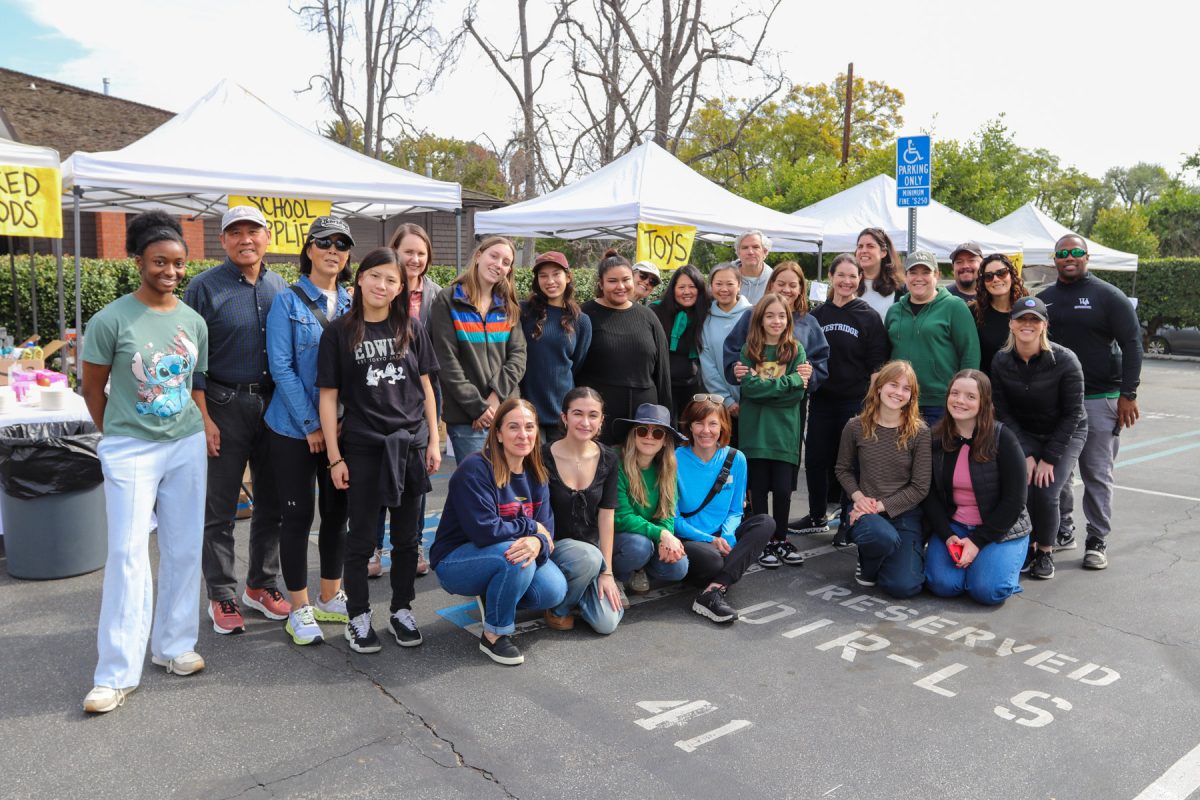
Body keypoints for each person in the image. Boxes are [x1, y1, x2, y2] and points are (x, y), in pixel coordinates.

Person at [81, 211, 209, 713]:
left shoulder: (193, 321)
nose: (170, 271)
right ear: (138, 261)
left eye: (178, 263)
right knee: (128, 555)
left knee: (182, 548)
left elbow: (192, 383)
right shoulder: (110, 319)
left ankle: (174, 647)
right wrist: (114, 434)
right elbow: (92, 389)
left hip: (186, 443)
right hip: (130, 446)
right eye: (160, 261)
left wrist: (200, 427)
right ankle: (114, 674)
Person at [317, 247, 441, 653]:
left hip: (409, 447)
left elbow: (426, 388)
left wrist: (434, 440)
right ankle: (358, 616)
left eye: (391, 280)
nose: (382, 285)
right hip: (364, 448)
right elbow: (329, 397)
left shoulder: (412, 327)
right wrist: (335, 457)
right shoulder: (339, 332)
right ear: (360, 279)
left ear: (401, 287)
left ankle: (402, 609)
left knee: (407, 539)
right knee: (362, 539)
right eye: (375, 276)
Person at [184, 205, 289, 635]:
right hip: (223, 404)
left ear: (268, 237)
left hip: (274, 406)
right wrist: (203, 417)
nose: (245, 239)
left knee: (273, 503)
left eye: (254, 231)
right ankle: (222, 594)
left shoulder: (280, 285)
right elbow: (189, 360)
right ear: (223, 240)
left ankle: (261, 585)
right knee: (220, 507)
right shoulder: (204, 287)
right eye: (236, 233)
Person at [264, 216, 353, 645]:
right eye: (324, 242)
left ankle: (329, 596)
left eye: (341, 243)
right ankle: (299, 607)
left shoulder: (356, 302)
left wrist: (339, 424)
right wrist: (313, 423)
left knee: (337, 515)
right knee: (298, 516)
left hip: (342, 429)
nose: (333, 250)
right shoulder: (288, 300)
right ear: (309, 249)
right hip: (291, 428)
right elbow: (281, 366)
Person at [431, 399, 567, 666]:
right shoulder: (474, 469)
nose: (523, 434)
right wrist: (530, 529)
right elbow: (485, 532)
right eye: (513, 427)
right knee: (515, 556)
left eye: (529, 427)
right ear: (498, 434)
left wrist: (538, 542)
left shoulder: (537, 473)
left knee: (553, 590)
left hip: (508, 554)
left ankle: (494, 594)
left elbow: (547, 530)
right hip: (456, 561)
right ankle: (494, 635)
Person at [1039, 235, 1142, 569]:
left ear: (1087, 257)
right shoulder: (1044, 300)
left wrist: (1128, 394)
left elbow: (1132, 344)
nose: (1070, 258)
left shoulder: (1108, 296)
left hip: (1101, 399)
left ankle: (1097, 539)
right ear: (1054, 259)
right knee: (1059, 473)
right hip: (1058, 402)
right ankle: (1063, 528)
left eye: (1076, 252)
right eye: (1063, 253)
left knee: (1096, 473)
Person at [991, 296, 1087, 580]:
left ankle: (1045, 550)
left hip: (1066, 432)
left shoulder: (1066, 360)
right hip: (1026, 432)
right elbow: (1003, 411)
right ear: (1011, 324)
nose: (1027, 325)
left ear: (1044, 325)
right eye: (1021, 319)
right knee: (1024, 487)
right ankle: (1029, 546)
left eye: (1034, 320)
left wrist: (1049, 458)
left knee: (1046, 492)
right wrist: (1026, 453)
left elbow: (1072, 414)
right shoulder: (1001, 360)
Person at [923, 370, 1031, 605]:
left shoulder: (1003, 438)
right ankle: (974, 568)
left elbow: (1015, 501)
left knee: (987, 591)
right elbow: (928, 494)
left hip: (1000, 530)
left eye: (970, 396)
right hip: (955, 526)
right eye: (955, 393)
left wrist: (977, 542)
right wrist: (948, 536)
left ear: (983, 402)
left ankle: (1004, 565)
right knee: (942, 585)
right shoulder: (935, 438)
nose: (960, 401)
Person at [799, 253, 889, 537]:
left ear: (860, 280)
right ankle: (816, 516)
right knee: (815, 458)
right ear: (831, 277)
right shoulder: (817, 316)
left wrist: (873, 405)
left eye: (853, 276)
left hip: (855, 401)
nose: (847, 281)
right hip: (822, 400)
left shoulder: (869, 316)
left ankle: (850, 521)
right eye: (841, 275)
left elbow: (877, 365)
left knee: (850, 463)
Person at [373, 222, 441, 579]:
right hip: (380, 393)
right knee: (378, 470)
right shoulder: (379, 287)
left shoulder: (436, 295)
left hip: (422, 394)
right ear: (394, 250)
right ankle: (373, 546)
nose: (414, 259)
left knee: (417, 476)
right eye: (408, 251)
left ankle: (413, 546)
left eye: (420, 253)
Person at [835, 360, 932, 598]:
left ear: (912, 395)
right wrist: (858, 499)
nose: (898, 392)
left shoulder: (920, 432)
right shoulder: (855, 427)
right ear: (878, 387)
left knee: (903, 587)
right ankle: (869, 559)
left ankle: (897, 556)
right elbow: (843, 469)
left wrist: (879, 506)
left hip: (903, 513)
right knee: (881, 537)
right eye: (893, 385)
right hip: (865, 512)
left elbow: (920, 487)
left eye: (906, 388)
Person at [674, 398, 774, 623]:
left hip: (723, 535)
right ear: (689, 426)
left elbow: (735, 511)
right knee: (713, 561)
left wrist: (728, 537)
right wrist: (710, 540)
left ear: (723, 427)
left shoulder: (736, 458)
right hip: (692, 539)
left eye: (713, 424)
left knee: (766, 522)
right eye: (699, 423)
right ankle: (724, 573)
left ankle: (713, 590)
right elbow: (673, 519)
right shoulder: (675, 459)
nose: (706, 431)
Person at [429, 236, 526, 461]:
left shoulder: (508, 305)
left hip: (506, 412)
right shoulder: (448, 300)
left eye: (505, 262)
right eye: (494, 256)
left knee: (508, 489)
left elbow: (518, 357)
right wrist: (478, 407)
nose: (498, 264)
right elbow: (446, 361)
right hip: (467, 420)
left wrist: (495, 397)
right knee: (478, 488)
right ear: (479, 255)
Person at [541, 387, 624, 633]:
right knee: (586, 556)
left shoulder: (609, 458)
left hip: (592, 555)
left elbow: (607, 516)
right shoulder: (541, 456)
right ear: (564, 417)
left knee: (606, 623)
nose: (585, 422)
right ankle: (559, 608)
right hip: (553, 548)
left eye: (593, 415)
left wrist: (607, 573)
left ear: (601, 421)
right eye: (578, 413)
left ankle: (580, 591)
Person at [735, 293, 808, 568]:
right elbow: (749, 389)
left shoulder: (795, 350)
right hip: (755, 433)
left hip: (784, 433)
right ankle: (762, 541)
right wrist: (789, 381)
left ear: (788, 320)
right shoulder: (748, 350)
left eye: (781, 315)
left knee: (782, 490)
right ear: (760, 320)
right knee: (759, 487)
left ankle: (780, 539)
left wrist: (766, 387)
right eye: (770, 315)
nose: (776, 321)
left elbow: (796, 396)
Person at [579, 250, 673, 443]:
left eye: (626, 279)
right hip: (598, 421)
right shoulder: (584, 315)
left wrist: (668, 423)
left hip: (644, 423)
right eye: (612, 281)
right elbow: (573, 368)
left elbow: (662, 374)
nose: (620, 286)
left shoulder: (648, 317)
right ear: (601, 283)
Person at [885, 250, 980, 427]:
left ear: (936, 274)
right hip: (900, 400)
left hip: (940, 403)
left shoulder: (954, 307)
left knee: (936, 454)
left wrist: (963, 396)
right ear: (906, 277)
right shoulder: (894, 311)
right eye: (913, 272)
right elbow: (885, 354)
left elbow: (970, 354)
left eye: (926, 272)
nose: (919, 278)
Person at [608, 404, 690, 594]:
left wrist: (665, 537)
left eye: (658, 433)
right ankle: (616, 577)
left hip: (649, 537)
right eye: (643, 430)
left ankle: (639, 569)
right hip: (619, 537)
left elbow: (668, 514)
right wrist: (661, 535)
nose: (649, 437)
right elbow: (620, 516)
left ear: (665, 441)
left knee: (679, 567)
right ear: (633, 434)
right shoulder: (615, 460)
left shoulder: (668, 468)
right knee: (639, 547)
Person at [519, 251, 592, 437]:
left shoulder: (581, 321)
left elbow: (577, 364)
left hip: (561, 414)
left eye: (556, 274)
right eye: (543, 276)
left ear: (568, 277)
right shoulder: (524, 312)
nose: (550, 281)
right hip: (526, 412)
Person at [651, 264, 709, 420]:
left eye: (692, 286)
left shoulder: (706, 313)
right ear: (673, 289)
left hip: (693, 386)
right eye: (681, 287)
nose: (687, 292)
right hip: (661, 385)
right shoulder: (656, 311)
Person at [698, 263, 751, 428]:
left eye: (730, 284)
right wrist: (726, 400)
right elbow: (708, 365)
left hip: (756, 400)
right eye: (718, 284)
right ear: (711, 286)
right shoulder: (706, 320)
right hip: (722, 406)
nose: (724, 289)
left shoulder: (753, 314)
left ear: (739, 285)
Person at [970, 254, 1028, 377]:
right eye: (989, 276)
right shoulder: (973, 312)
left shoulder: (1028, 311)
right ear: (983, 282)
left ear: (1012, 275)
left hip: (1023, 387)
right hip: (987, 389)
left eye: (1001, 273)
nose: (995, 279)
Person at [855, 227, 905, 319]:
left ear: (883, 252)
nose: (863, 251)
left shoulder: (901, 291)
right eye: (860, 246)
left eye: (870, 246)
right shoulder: (847, 285)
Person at [735, 230, 773, 304]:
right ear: (738, 252)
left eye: (755, 247)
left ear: (765, 252)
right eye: (745, 248)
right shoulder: (724, 276)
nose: (750, 252)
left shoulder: (774, 279)